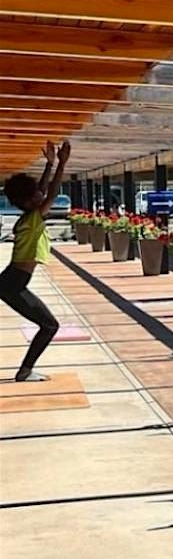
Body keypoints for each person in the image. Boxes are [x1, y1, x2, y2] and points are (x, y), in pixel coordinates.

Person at [1, 140, 70, 381]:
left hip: (13, 282)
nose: (41, 193)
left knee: (49, 325)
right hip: (12, 284)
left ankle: (25, 370)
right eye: (36, 195)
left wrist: (49, 164)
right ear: (31, 201)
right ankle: (25, 372)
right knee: (49, 326)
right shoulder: (32, 218)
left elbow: (41, 190)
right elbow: (50, 192)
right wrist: (61, 164)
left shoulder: (29, 216)